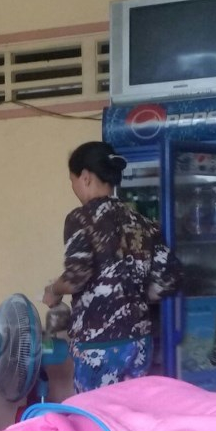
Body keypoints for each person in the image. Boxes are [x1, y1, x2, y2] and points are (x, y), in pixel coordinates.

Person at [43, 141, 181, 393]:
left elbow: (77, 276)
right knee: (132, 411)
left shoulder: (81, 218)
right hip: (139, 343)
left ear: (85, 177)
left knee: (97, 413)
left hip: (99, 345)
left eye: (72, 180)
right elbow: (169, 279)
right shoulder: (142, 221)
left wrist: (54, 289)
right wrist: (131, 292)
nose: (73, 187)